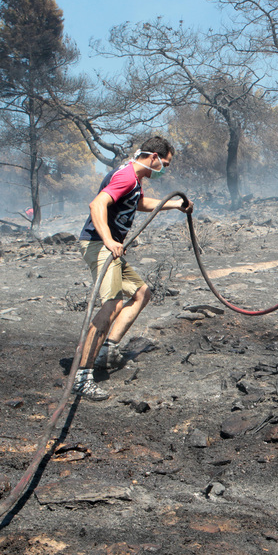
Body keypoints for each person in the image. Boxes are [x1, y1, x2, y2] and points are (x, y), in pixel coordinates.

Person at [74, 136, 193, 400]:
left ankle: (108, 351)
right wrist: (108, 240)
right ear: (153, 157)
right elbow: (97, 204)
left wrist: (174, 204)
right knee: (112, 304)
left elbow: (138, 204)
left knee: (141, 293)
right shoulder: (126, 176)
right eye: (165, 164)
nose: (164, 170)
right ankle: (82, 376)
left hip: (107, 247)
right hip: (99, 245)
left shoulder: (134, 180)